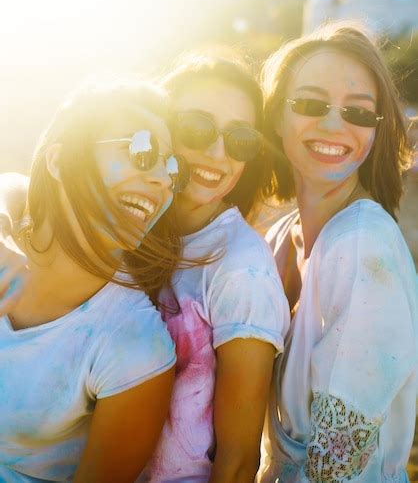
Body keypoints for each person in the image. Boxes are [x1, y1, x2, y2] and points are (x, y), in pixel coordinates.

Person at [0, 77, 193, 483]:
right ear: (59, 160)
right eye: (142, 150)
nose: (162, 179)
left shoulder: (134, 344)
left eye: (171, 169)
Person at [257, 23, 417, 482]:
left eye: (359, 113)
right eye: (310, 104)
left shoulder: (364, 249)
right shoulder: (280, 238)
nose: (333, 125)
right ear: (275, 117)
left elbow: (335, 470)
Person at [139, 52, 290, 483]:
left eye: (239, 139)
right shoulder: (134, 229)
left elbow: (239, 462)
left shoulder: (241, 268)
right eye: (196, 128)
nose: (218, 152)